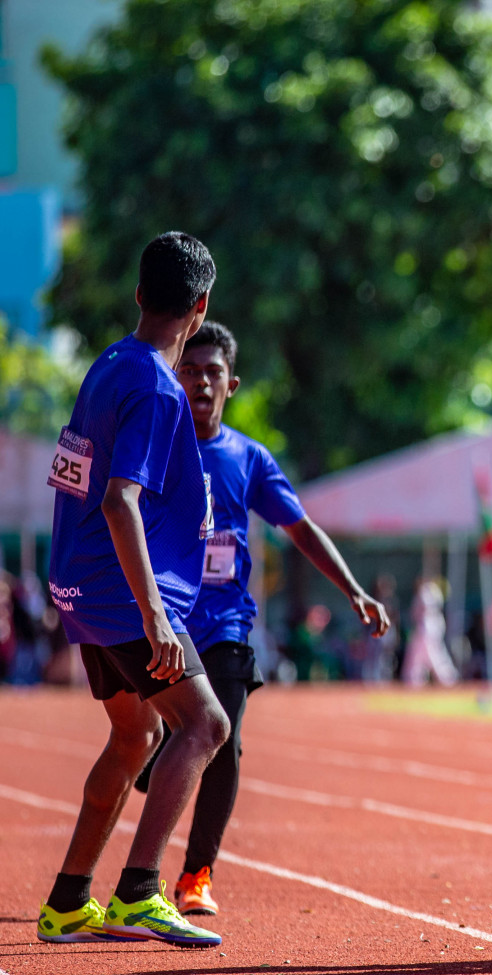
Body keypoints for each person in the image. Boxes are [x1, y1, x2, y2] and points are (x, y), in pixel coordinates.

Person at [130, 320, 390, 914]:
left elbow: (300, 527)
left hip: (225, 623)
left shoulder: (248, 458)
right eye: (188, 370)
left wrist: (352, 590)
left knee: (225, 738)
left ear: (232, 384)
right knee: (149, 745)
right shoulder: (153, 448)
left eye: (212, 373)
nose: (199, 382)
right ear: (175, 376)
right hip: (162, 622)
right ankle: (138, 826)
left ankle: (196, 875)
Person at [36, 232, 230, 948]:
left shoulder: (109, 364)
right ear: (201, 305)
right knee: (205, 725)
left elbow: (67, 472)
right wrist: (156, 615)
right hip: (120, 593)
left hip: (78, 581)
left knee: (136, 733)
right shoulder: (154, 384)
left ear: (140, 294)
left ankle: (66, 900)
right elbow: (119, 500)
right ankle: (140, 892)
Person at [402, 577, 457, 686]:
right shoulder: (432, 592)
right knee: (418, 657)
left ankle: (447, 679)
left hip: (427, 629)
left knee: (433, 656)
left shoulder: (426, 593)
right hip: (429, 628)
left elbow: (418, 612)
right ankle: (414, 680)